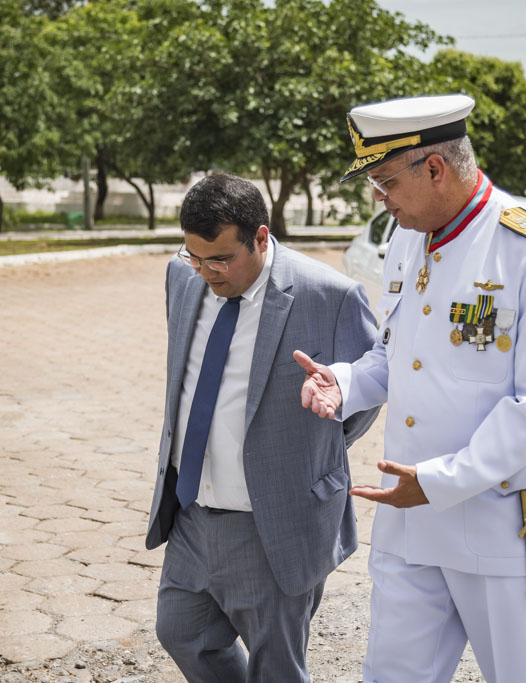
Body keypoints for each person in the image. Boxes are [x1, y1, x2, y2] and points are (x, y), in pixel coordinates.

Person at [294, 94, 526, 682]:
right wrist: (345, 382)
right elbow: (396, 355)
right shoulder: (409, 238)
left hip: (505, 525)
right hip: (411, 522)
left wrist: (435, 483)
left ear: (433, 169)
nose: (380, 200)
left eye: (384, 182)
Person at [144, 173, 379, 682]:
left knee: (276, 667)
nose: (208, 272)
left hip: (271, 522)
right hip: (191, 513)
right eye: (196, 256)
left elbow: (364, 393)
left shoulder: (329, 296)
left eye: (222, 259)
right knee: (181, 630)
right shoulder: (182, 278)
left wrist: (309, 446)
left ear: (261, 237)